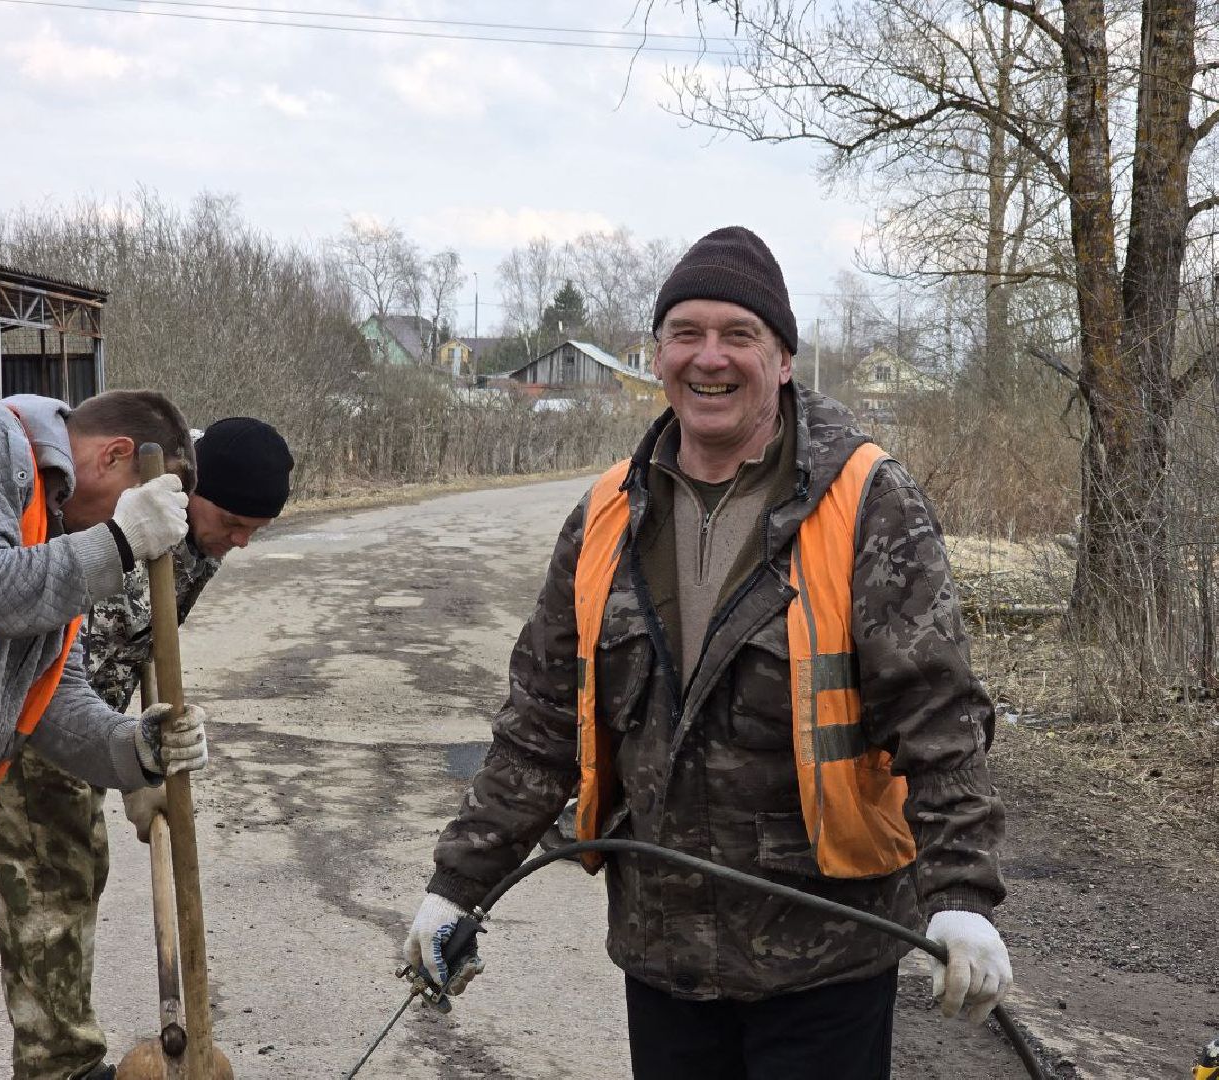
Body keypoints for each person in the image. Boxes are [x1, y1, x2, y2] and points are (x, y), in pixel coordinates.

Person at [404, 227, 1011, 1079]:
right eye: (686, 333)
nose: (709, 358)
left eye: (739, 335)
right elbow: (542, 723)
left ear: (785, 360)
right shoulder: (607, 514)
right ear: (657, 355)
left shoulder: (868, 499)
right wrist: (455, 886)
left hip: (824, 957)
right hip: (665, 955)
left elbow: (937, 715)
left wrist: (961, 897)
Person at [0, 416, 293, 1080]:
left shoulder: (199, 541)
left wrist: (137, 762)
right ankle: (56, 1066)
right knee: (53, 883)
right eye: (232, 521)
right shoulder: (134, 517)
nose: (237, 542)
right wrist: (126, 768)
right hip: (38, 721)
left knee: (80, 873)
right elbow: (63, 660)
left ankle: (64, 1054)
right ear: (193, 487)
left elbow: (146, 644)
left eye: (251, 533)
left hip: (99, 729)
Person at [0, 390, 209, 1080]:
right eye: (134, 501)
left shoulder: (57, 537)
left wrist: (137, 749)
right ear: (116, 453)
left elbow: (51, 698)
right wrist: (118, 542)